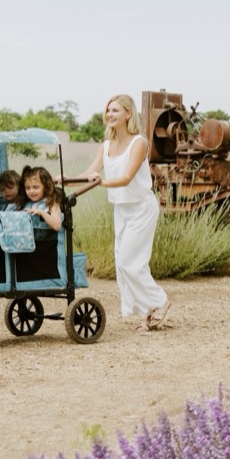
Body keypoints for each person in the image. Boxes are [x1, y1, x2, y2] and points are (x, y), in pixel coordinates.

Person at [67, 94, 170, 331]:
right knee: (127, 264)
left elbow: (125, 178)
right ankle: (149, 309)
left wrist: (100, 183)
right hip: (121, 210)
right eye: (108, 110)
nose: (110, 115)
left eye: (115, 110)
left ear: (128, 114)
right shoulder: (106, 146)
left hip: (142, 208)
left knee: (128, 262)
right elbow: (89, 172)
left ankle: (160, 301)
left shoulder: (139, 143)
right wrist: (62, 179)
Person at [20, 165, 63, 231]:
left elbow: (57, 225)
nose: (31, 191)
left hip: (49, 240)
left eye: (36, 187)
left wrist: (42, 213)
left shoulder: (51, 203)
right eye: (27, 188)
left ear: (46, 187)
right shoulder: (28, 204)